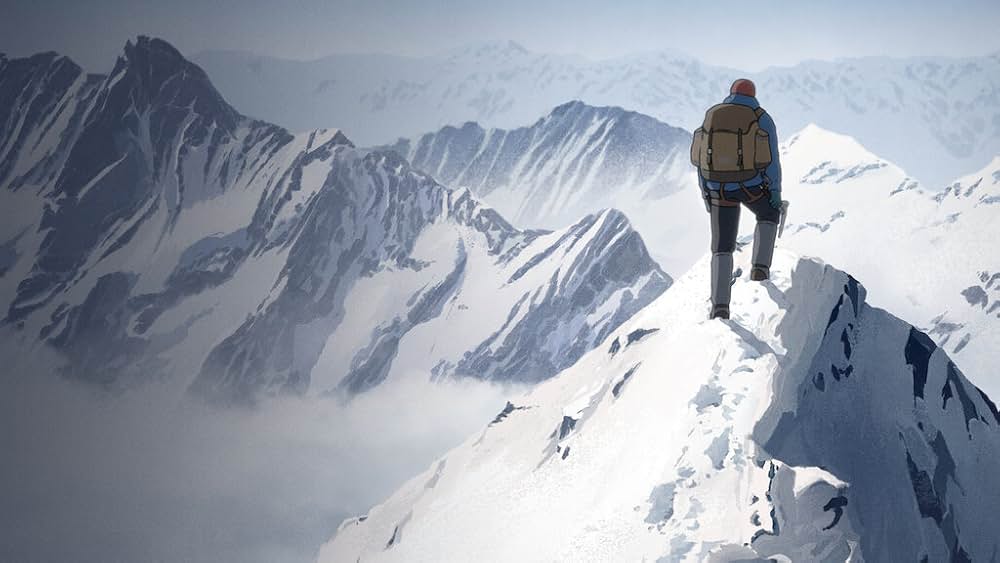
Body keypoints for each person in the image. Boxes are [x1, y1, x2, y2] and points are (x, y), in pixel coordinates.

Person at [690, 78, 783, 320]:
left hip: (718, 189)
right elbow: (772, 160)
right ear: (753, 95)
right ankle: (760, 269)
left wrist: (706, 193)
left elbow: (701, 160)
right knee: (769, 213)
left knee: (722, 247)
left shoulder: (712, 115)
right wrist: (774, 192)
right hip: (750, 185)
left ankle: (720, 307)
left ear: (731, 93)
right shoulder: (761, 117)